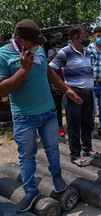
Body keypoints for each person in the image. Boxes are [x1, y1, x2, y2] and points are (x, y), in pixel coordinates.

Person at [0, 19, 81, 213]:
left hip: (48, 112)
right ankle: (30, 191)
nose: (37, 47)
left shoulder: (39, 51)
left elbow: (50, 74)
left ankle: (57, 178)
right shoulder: (3, 55)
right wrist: (24, 69)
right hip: (24, 117)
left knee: (53, 149)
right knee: (27, 156)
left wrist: (66, 89)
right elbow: (2, 88)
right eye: (33, 43)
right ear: (19, 41)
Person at [49, 25, 97, 166]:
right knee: (74, 126)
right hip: (73, 95)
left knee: (88, 124)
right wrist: (65, 88)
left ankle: (87, 148)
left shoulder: (87, 52)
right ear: (76, 38)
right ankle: (75, 155)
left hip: (88, 94)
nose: (88, 39)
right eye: (85, 36)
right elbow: (50, 70)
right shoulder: (65, 52)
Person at [47, 42, 65, 137]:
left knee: (70, 107)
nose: (58, 49)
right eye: (57, 47)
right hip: (56, 86)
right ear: (53, 48)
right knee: (57, 107)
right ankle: (60, 127)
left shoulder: (68, 57)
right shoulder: (50, 59)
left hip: (68, 85)